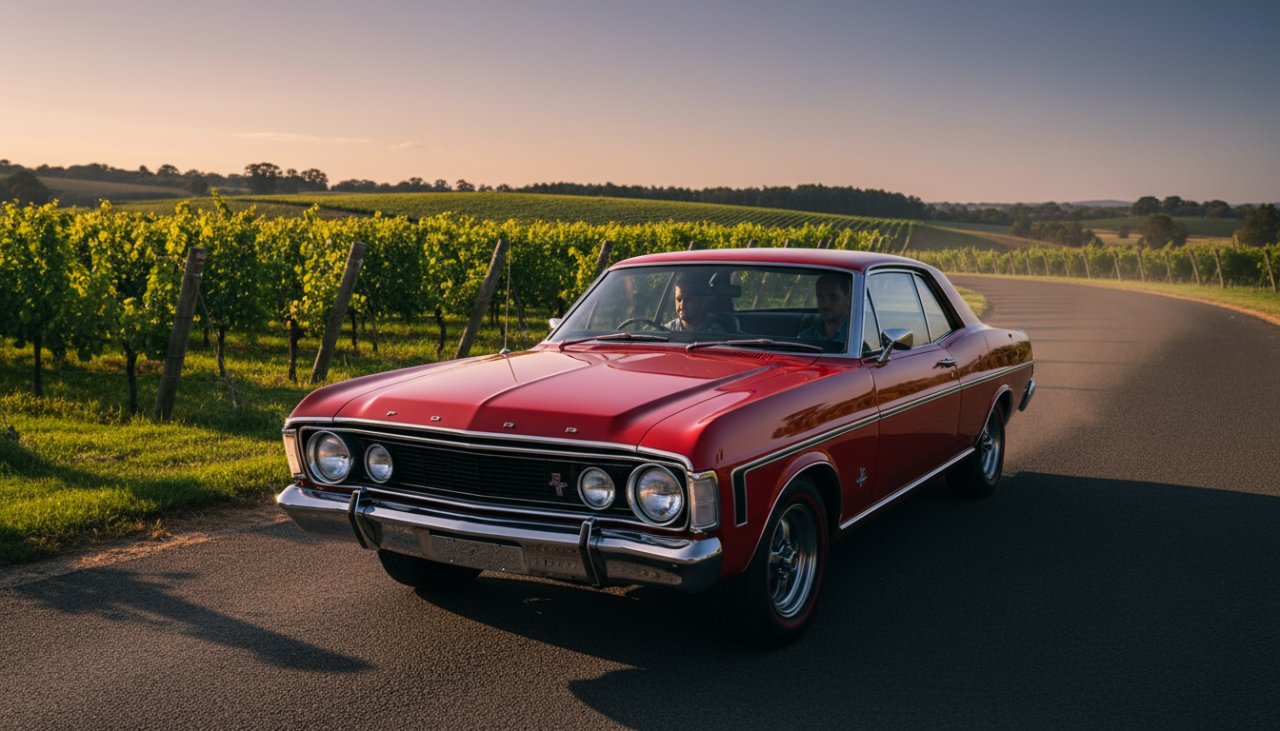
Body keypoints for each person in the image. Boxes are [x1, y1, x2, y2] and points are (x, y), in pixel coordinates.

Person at [797, 273, 851, 344]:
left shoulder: (857, 335)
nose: (826, 304)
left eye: (833, 297)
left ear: (848, 300)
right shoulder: (806, 336)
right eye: (820, 297)